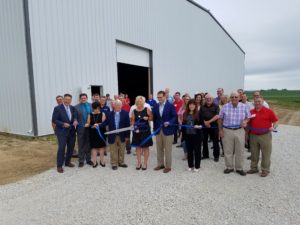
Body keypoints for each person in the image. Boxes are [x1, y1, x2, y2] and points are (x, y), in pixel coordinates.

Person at [218, 91, 251, 176]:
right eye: (232, 97)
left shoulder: (244, 107)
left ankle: (239, 168)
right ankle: (229, 167)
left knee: (240, 150)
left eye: (236, 97)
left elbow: (249, 117)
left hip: (240, 130)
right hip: (227, 130)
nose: (234, 98)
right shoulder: (225, 107)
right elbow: (220, 119)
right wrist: (220, 130)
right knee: (228, 150)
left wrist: (245, 121)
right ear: (230, 98)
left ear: (239, 98)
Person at [247, 97, 279, 177]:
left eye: (259, 101)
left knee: (266, 153)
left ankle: (265, 170)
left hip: (265, 135)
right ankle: (254, 168)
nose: (257, 103)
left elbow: (276, 121)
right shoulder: (251, 112)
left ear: (263, 102)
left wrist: (274, 127)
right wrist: (246, 133)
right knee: (254, 153)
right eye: (256, 101)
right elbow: (248, 123)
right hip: (253, 135)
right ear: (254, 103)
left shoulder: (268, 111)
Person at [52, 94, 78, 173]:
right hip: (62, 132)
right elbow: (54, 120)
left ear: (71, 100)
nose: (67, 101)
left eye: (69, 99)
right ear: (63, 99)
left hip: (72, 131)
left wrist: (75, 120)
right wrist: (63, 124)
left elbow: (74, 117)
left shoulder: (72, 108)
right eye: (66, 99)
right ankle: (59, 166)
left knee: (71, 147)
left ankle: (67, 162)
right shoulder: (57, 108)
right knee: (61, 148)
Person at [152, 90, 177, 173]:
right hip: (158, 130)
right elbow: (155, 118)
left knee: (168, 149)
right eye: (158, 97)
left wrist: (169, 122)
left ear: (165, 96)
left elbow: (174, 117)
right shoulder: (155, 106)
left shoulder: (170, 106)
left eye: (160, 97)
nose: (159, 99)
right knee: (159, 149)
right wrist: (154, 129)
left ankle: (168, 166)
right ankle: (160, 164)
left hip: (168, 130)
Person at [106, 100, 130, 170]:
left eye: (119, 105)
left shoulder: (125, 113)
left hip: (122, 135)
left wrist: (127, 136)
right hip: (112, 135)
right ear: (114, 106)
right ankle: (114, 163)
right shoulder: (109, 114)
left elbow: (127, 126)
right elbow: (105, 123)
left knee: (122, 149)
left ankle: (121, 162)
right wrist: (98, 125)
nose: (118, 106)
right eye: (116, 105)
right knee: (113, 150)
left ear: (121, 105)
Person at [131, 96, 153, 170]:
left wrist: (148, 118)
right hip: (137, 131)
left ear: (143, 102)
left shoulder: (147, 109)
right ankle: (139, 162)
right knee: (138, 147)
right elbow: (132, 121)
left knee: (146, 147)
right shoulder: (134, 111)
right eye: (138, 101)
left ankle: (145, 163)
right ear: (136, 102)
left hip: (145, 131)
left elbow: (151, 117)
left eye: (141, 101)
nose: (139, 102)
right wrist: (134, 127)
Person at [182, 99, 202, 172]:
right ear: (188, 105)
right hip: (188, 135)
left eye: (193, 104)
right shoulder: (185, 113)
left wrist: (199, 126)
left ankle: (197, 166)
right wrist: (182, 135)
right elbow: (183, 125)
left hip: (196, 136)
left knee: (197, 151)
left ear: (195, 106)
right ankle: (190, 165)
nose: (191, 106)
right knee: (189, 151)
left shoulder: (199, 113)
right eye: (190, 104)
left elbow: (202, 124)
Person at [75, 93, 93, 167]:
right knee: (81, 144)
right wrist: (75, 121)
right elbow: (74, 117)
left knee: (88, 144)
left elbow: (94, 115)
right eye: (82, 98)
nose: (83, 99)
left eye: (84, 98)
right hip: (81, 128)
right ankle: (81, 160)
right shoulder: (76, 107)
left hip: (89, 128)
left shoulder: (91, 105)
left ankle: (88, 159)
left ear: (87, 98)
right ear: (80, 99)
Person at [200, 94, 220, 162]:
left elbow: (217, 116)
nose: (208, 99)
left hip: (214, 126)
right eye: (207, 98)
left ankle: (216, 156)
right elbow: (200, 116)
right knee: (204, 141)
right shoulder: (202, 107)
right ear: (205, 99)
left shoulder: (216, 106)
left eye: (210, 98)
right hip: (204, 126)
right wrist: (205, 123)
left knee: (215, 142)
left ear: (212, 99)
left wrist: (208, 122)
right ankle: (205, 155)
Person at [88, 102, 107, 168]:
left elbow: (103, 123)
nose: (96, 110)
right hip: (92, 133)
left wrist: (97, 125)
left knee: (101, 147)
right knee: (94, 147)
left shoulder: (103, 114)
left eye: (98, 108)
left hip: (101, 132)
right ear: (92, 108)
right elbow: (88, 123)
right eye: (95, 108)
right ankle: (94, 162)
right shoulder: (89, 114)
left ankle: (102, 161)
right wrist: (91, 126)